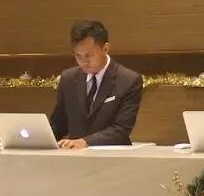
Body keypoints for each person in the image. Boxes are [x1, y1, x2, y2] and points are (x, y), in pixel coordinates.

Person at [49, 20, 142, 149]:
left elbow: (121, 130)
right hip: (75, 159)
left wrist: (85, 142)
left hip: (113, 158)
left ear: (105, 48)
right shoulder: (68, 79)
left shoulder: (128, 80)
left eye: (89, 55)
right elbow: (58, 124)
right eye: (78, 56)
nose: (83, 62)